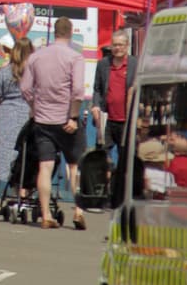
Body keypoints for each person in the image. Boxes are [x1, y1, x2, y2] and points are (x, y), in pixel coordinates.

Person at [20, 17, 87, 230]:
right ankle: (78, 210)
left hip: (42, 119)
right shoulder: (75, 57)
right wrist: (73, 116)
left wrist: (34, 106)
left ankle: (46, 214)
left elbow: (25, 88)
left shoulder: (36, 57)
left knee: (45, 166)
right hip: (66, 119)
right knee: (74, 165)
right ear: (70, 32)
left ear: (54, 32)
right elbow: (78, 90)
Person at [0, 37, 32, 189]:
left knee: (7, 151)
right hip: (28, 113)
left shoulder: (4, 72)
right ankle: (24, 188)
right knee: (26, 152)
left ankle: (12, 185)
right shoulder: (33, 73)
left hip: (7, 114)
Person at [91, 30, 137, 165]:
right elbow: (97, 89)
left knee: (126, 158)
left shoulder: (135, 64)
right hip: (107, 120)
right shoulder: (103, 64)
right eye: (115, 45)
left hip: (126, 122)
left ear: (127, 45)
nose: (117, 48)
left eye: (120, 45)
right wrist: (96, 105)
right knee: (102, 157)